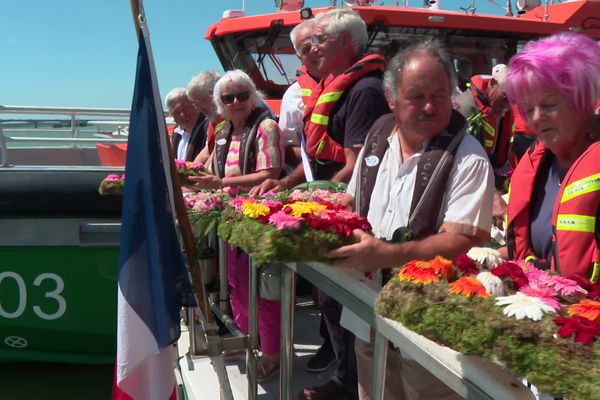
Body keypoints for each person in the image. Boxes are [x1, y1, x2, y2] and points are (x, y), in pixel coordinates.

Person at [327, 39, 494, 400]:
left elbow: (460, 240)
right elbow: (354, 199)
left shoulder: (469, 157)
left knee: (425, 390)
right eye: (416, 96)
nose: (430, 105)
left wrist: (383, 255)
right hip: (366, 302)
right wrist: (321, 216)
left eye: (440, 93)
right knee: (373, 388)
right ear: (391, 99)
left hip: (428, 318)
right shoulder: (376, 137)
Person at [256, 9, 389, 400]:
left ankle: (350, 386)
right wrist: (285, 183)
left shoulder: (364, 92)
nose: (311, 49)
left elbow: (357, 165)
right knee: (328, 300)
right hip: (335, 206)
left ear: (347, 43)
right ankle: (346, 379)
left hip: (353, 216)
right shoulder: (341, 87)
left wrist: (314, 201)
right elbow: (316, 158)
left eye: (321, 41)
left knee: (342, 301)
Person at [189, 69, 285, 381]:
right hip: (229, 219)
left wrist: (220, 181)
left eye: (242, 95)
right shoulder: (222, 129)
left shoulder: (266, 127)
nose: (236, 102)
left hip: (258, 220)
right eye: (227, 98)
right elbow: (206, 165)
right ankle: (246, 337)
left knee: (261, 288)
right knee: (234, 282)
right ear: (220, 103)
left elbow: (270, 171)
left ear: (252, 95)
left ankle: (271, 354)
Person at [504, 32, 600, 280]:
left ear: (582, 100)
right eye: (529, 109)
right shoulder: (537, 165)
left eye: (548, 105)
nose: (536, 118)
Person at [454, 63, 513, 227]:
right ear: (493, 85)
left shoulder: (501, 110)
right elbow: (462, 164)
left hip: (490, 186)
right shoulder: (465, 110)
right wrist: (492, 196)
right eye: (506, 98)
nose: (508, 106)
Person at [278, 19, 326, 179]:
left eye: (319, 42)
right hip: (315, 180)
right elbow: (286, 149)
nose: (314, 50)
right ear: (299, 57)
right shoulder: (292, 95)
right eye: (306, 49)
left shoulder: (358, 86)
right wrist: (324, 157)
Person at [186, 71, 225, 165]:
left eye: (199, 101)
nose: (198, 108)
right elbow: (208, 150)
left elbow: (216, 155)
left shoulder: (231, 120)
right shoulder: (214, 121)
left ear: (216, 94)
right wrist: (189, 170)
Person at [165, 88, 208, 161]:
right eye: (176, 112)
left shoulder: (208, 128)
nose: (183, 115)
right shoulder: (177, 131)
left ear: (195, 104)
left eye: (186, 108)